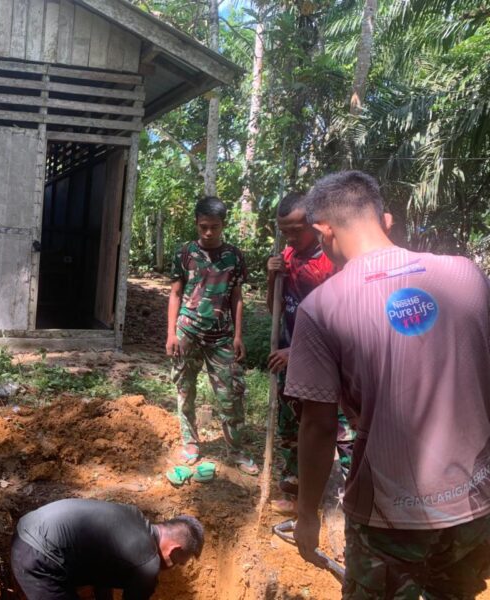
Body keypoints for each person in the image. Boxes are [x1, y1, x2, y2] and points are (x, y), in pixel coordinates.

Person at [286, 171, 490, 598]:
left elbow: (318, 426)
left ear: (324, 231)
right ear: (386, 220)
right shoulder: (468, 276)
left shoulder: (321, 308)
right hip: (476, 503)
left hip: (389, 516)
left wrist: (307, 515)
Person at [265, 191, 354, 514]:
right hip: (291, 358)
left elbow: (339, 319)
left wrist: (295, 350)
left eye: (296, 230)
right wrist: (272, 276)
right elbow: (274, 307)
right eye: (284, 231)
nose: (290, 237)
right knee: (292, 428)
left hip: (328, 360)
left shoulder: (333, 261)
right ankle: (296, 492)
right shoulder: (287, 256)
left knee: (342, 432)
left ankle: (355, 499)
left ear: (315, 224)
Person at [165, 196, 257, 475]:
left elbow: (237, 297)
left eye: (214, 227)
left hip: (222, 337)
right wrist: (171, 334)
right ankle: (190, 443)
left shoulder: (234, 256)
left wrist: (238, 335)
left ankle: (235, 450)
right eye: (203, 226)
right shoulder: (184, 253)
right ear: (196, 223)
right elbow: (175, 293)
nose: (208, 232)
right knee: (185, 390)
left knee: (231, 394)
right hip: (187, 332)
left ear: (223, 225)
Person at [11, 498, 204, 599]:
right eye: (177, 562)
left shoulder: (133, 516)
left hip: (28, 531)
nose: (172, 567)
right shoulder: (148, 563)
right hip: (38, 556)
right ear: (174, 550)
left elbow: (102, 571)